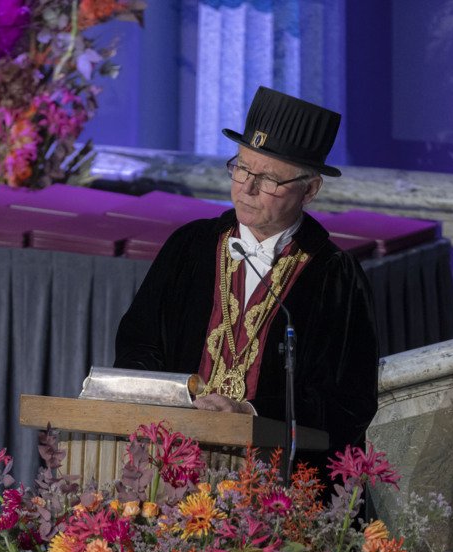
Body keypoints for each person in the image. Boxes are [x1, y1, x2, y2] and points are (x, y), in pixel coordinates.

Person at [114, 86, 378, 486]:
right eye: (242, 168)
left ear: (310, 189)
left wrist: (252, 415)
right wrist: (174, 403)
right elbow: (138, 347)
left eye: (269, 179)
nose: (246, 189)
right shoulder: (191, 247)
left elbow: (348, 403)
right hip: (170, 468)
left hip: (277, 485)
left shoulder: (335, 275)